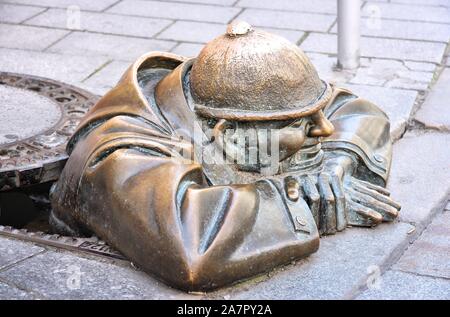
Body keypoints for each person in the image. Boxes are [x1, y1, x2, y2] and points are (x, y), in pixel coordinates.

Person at [50, 22, 400, 292]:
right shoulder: (121, 155)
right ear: (226, 135)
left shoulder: (230, 93)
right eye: (300, 123)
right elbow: (191, 245)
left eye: (318, 113)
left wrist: (335, 166)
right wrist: (302, 198)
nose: (323, 130)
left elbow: (356, 110)